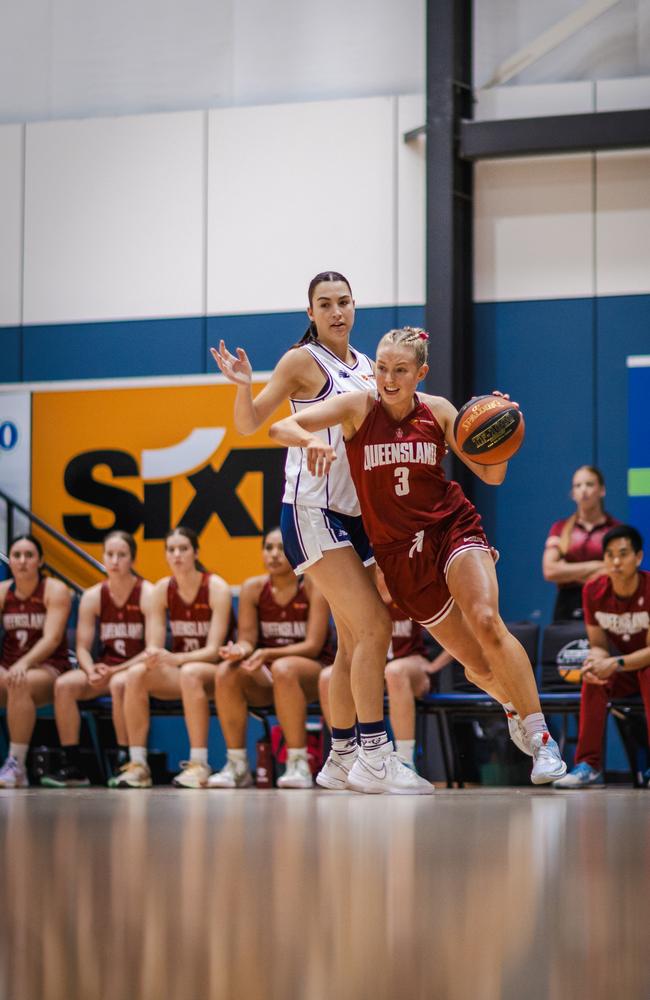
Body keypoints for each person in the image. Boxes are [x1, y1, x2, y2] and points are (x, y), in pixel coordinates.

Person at [270, 326, 568, 785]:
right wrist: (308, 440)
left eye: (400, 370)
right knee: (477, 666)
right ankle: (511, 705)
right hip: (399, 555)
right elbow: (280, 425)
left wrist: (499, 433)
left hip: (450, 527)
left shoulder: (440, 411)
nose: (388, 378)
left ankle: (542, 741)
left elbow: (491, 477)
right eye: (382, 368)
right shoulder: (357, 407)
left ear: (420, 373)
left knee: (487, 620)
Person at [212, 272, 431, 794]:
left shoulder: (366, 367)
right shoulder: (301, 361)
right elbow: (252, 425)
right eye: (325, 304)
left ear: (355, 307)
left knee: (353, 640)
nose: (337, 311)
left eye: (344, 302)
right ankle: (375, 753)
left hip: (359, 518)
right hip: (312, 512)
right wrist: (244, 388)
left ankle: (339, 758)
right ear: (310, 312)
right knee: (376, 625)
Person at [208, 527, 334, 789]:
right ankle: (238, 764)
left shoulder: (315, 584)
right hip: (267, 672)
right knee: (225, 672)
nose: (274, 554)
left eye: (281, 547)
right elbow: (248, 640)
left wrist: (267, 653)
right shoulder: (252, 589)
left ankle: (298, 762)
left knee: (284, 668)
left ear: (295, 550)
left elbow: (312, 646)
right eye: (268, 548)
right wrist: (239, 651)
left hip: (311, 672)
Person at [112, 527, 232, 789]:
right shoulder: (162, 589)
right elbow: (154, 646)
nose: (177, 555)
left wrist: (174, 659)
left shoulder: (216, 587)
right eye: (171, 550)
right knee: (134, 675)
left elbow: (213, 651)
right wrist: (155, 656)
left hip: (215, 672)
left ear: (196, 553)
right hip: (182, 670)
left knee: (191, 673)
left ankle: (199, 763)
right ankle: (138, 765)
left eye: (183, 549)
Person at [41, 531, 152, 788]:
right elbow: (81, 646)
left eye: (121, 555)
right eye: (109, 554)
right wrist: (89, 669)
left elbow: (152, 649)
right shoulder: (92, 596)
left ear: (132, 560)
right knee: (64, 685)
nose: (114, 560)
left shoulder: (147, 592)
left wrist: (113, 671)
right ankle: (74, 765)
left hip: (137, 669)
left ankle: (125, 759)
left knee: (121, 683)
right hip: (104, 668)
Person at [319, 564, 451, 770]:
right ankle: (348, 755)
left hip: (410, 665)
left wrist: (435, 665)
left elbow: (454, 627)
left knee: (395, 671)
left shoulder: (408, 595)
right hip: (376, 671)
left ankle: (405, 760)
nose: (382, 574)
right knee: (328, 676)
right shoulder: (361, 602)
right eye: (378, 570)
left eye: (385, 569)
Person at [553, 524, 650, 789]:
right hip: (622, 671)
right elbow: (597, 644)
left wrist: (615, 663)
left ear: (638, 557)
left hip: (644, 667)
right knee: (594, 676)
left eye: (623, 554)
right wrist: (594, 660)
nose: (616, 561)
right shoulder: (593, 591)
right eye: (609, 555)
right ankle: (589, 765)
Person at [0, 535, 72, 788]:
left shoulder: (55, 589)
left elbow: (52, 639)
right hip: (9, 669)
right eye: (17, 555)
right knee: (14, 679)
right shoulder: (2, 591)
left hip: (48, 669)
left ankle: (16, 765)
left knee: (20, 681)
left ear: (40, 560)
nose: (22, 561)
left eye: (29, 555)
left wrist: (23, 663)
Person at [543, 466, 620, 622]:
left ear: (602, 490)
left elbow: (617, 571)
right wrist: (597, 566)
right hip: (567, 607)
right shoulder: (560, 528)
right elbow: (550, 570)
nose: (583, 490)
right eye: (578, 485)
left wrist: (567, 572)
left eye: (589, 484)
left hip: (606, 604)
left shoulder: (615, 529)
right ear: (573, 494)